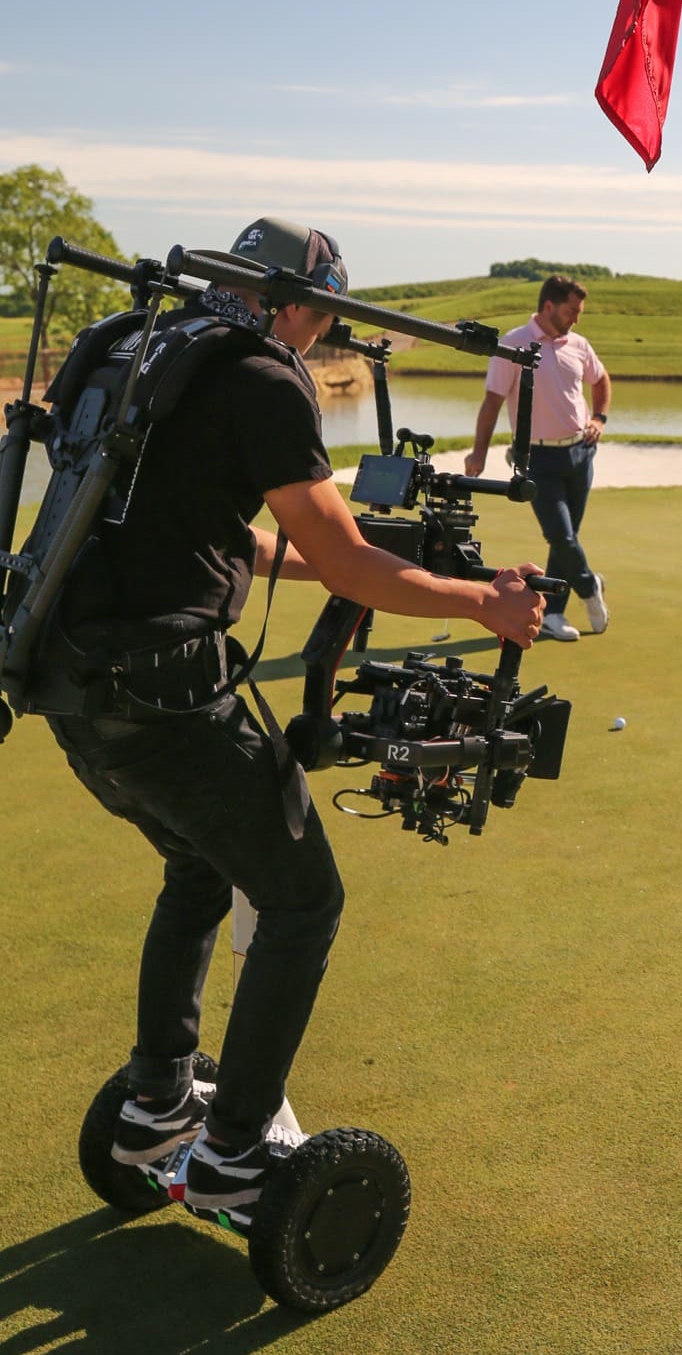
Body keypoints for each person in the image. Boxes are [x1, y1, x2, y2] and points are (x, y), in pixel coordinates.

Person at [39, 217, 547, 1215]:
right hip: (165, 691)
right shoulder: (264, 376)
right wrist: (486, 603)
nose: (317, 341)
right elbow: (352, 559)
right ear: (301, 306)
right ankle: (233, 1148)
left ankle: (155, 1105)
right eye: (320, 319)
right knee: (303, 899)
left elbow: (190, 526)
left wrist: (359, 569)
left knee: (199, 865)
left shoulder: (149, 347)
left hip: (65, 679)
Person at [464, 274, 611, 643]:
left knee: (567, 537)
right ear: (549, 306)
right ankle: (588, 584)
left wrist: (599, 418)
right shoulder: (514, 344)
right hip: (537, 457)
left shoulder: (578, 343)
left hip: (581, 452)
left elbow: (601, 379)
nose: (576, 318)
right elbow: (492, 402)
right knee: (560, 534)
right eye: (571, 311)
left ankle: (554, 614)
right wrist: (478, 453)